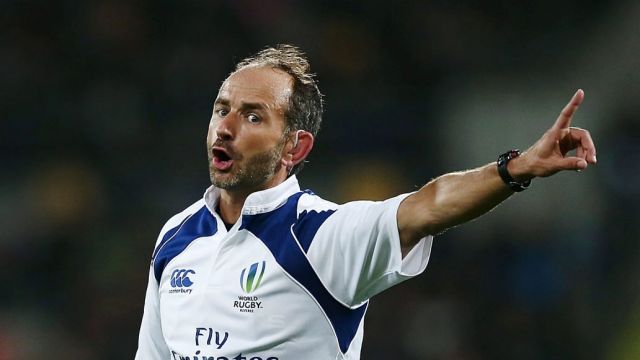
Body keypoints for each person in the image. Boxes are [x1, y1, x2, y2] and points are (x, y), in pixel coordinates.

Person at [135, 44, 596, 360]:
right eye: (221, 109)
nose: (225, 127)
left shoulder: (323, 236)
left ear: (295, 148)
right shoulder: (175, 238)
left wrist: (514, 169)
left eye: (253, 115)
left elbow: (429, 204)